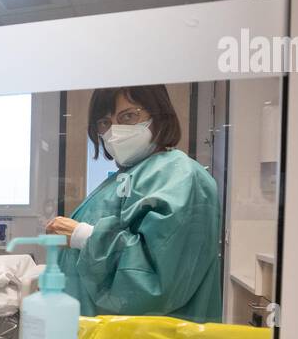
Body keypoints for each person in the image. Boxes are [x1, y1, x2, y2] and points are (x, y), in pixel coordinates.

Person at [45, 85, 222, 322]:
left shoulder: (181, 177)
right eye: (104, 123)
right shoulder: (125, 177)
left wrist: (82, 236)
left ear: (159, 114)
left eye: (128, 116)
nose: (114, 131)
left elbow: (157, 284)